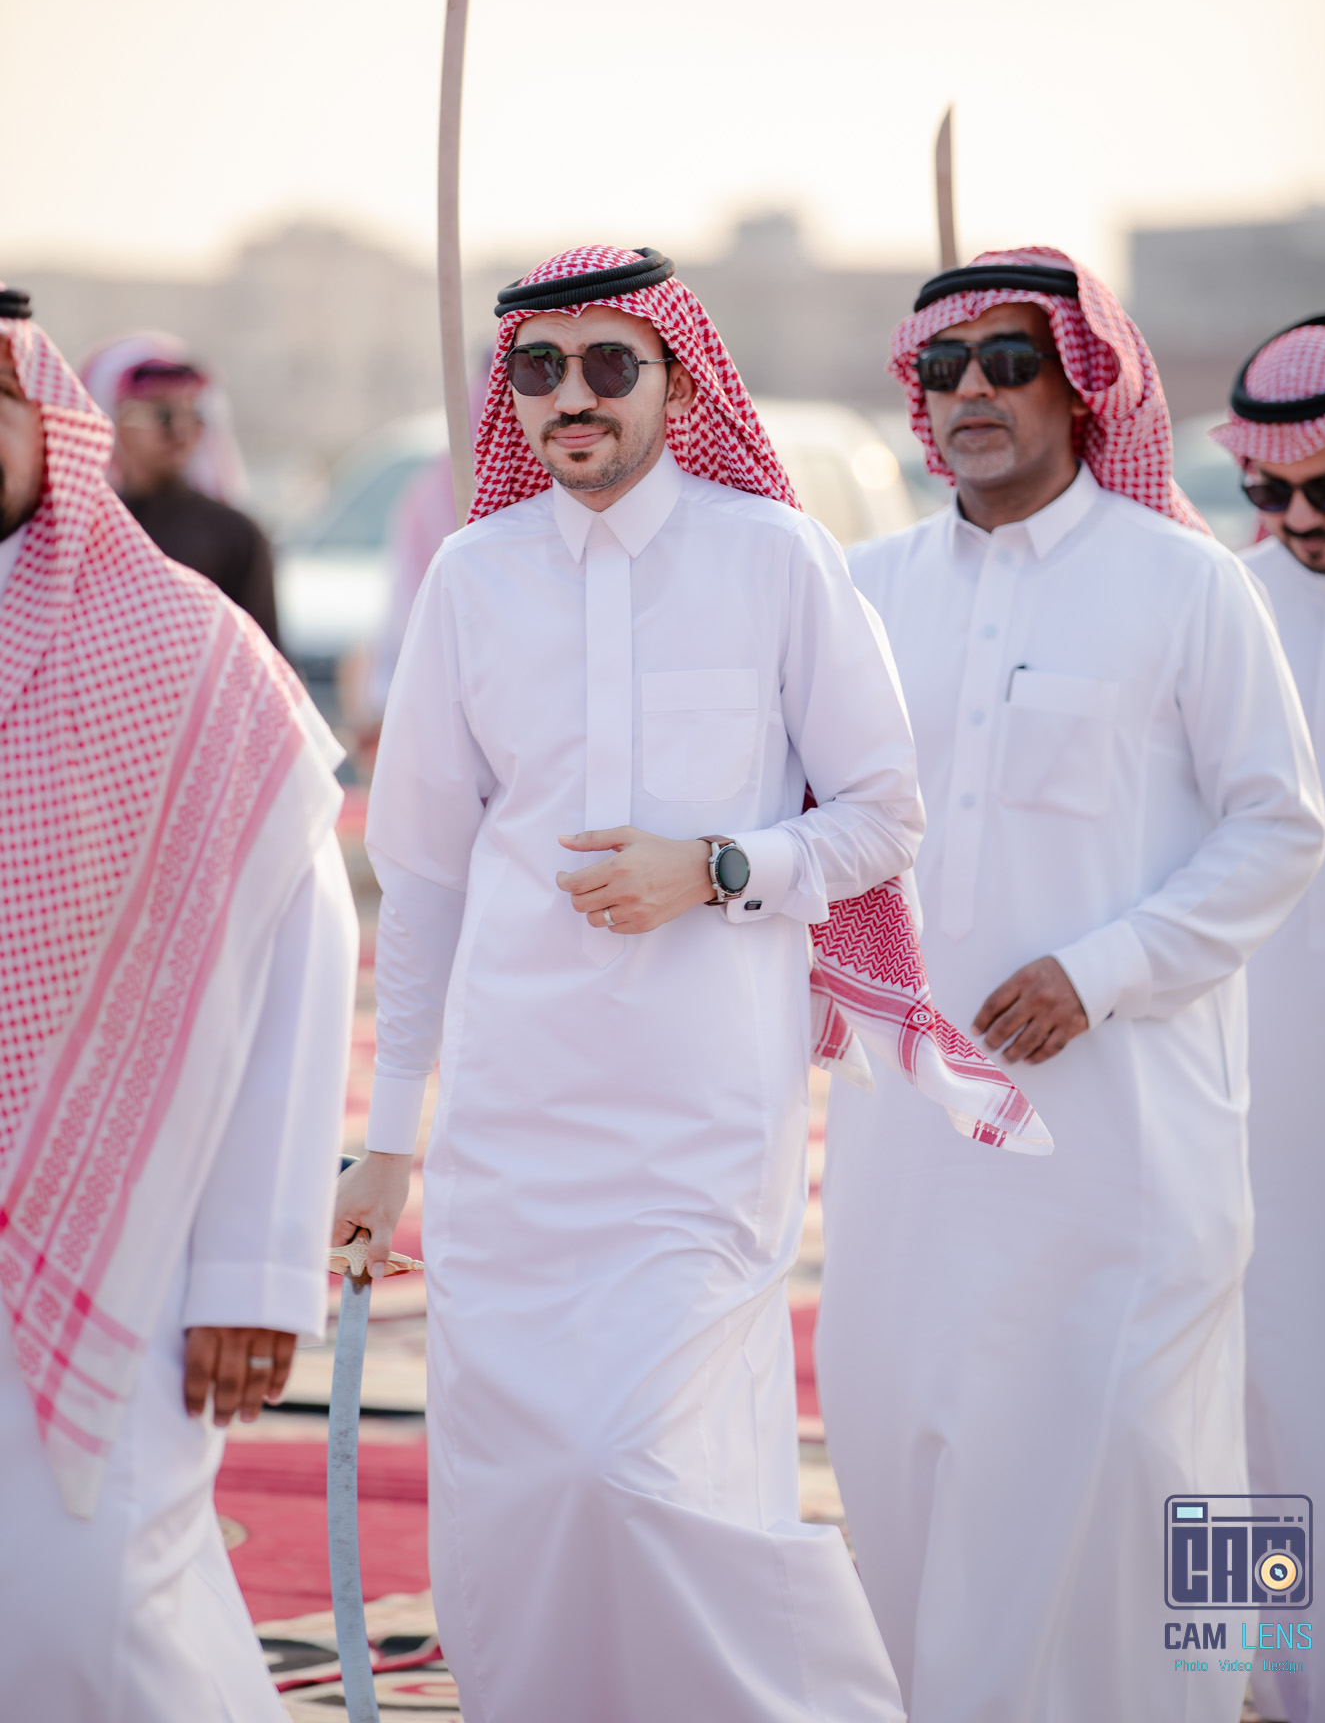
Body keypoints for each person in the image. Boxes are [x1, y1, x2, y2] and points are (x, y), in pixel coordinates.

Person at [333, 244, 1047, 1723]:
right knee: (522, 1491)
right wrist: (389, 1139)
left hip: (697, 1123)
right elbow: (425, 879)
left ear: (677, 377)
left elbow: (881, 815)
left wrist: (717, 869)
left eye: (611, 363)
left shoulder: (774, 557)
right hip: (507, 1131)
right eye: (540, 369)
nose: (572, 397)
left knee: (636, 1465)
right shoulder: (472, 577)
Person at [815, 247, 1325, 1723]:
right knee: (910, 1458)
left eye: (1009, 359)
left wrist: (1099, 973)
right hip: (914, 1151)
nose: (970, 388)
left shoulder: (1183, 582)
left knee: (1151, 1467)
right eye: (943, 365)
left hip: (1125, 1140)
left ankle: (1222, 1697)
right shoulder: (864, 592)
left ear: (1086, 383)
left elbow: (1280, 826)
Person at [0, 289, 357, 1720]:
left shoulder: (184, 646)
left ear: (48, 420)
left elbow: (302, 944)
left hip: (127, 1222)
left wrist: (255, 1271)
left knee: (94, 1607)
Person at [1210, 315, 1325, 1723]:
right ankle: (1240, 1681)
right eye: (1268, 490)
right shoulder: (1226, 606)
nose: (1296, 517)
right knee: (1224, 1409)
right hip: (1237, 1102)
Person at [82, 330, 279, 642]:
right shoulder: (88, 531)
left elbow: (266, 657)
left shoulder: (236, 535)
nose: (181, 431)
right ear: (116, 420)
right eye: (163, 415)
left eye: (194, 415)